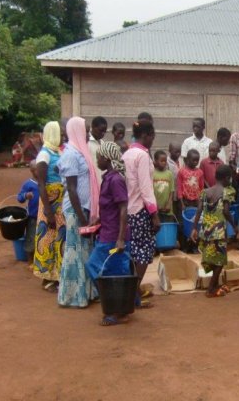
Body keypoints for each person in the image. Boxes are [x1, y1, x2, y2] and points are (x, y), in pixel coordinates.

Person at [85, 141, 131, 326]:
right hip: (108, 232)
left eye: (99, 157)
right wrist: (99, 220)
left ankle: (116, 309)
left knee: (96, 267)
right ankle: (121, 305)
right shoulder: (109, 178)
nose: (97, 160)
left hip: (113, 237)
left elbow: (123, 209)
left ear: (107, 158)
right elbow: (112, 208)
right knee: (115, 271)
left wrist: (120, 238)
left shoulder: (116, 180)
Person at [57, 116, 100, 308]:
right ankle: (73, 296)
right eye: (86, 130)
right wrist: (82, 219)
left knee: (85, 252)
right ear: (76, 131)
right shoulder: (70, 155)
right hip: (76, 211)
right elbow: (72, 190)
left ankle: (87, 292)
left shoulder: (81, 152)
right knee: (74, 252)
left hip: (84, 209)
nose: (89, 133)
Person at [122, 120, 161, 308]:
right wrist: (154, 214)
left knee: (134, 252)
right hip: (140, 209)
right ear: (146, 135)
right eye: (152, 136)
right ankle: (132, 295)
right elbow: (146, 188)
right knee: (144, 253)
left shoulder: (127, 153)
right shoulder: (142, 156)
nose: (153, 140)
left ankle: (133, 293)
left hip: (128, 209)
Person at [190, 165, 236, 298]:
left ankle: (215, 285)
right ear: (227, 178)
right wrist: (235, 225)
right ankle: (211, 289)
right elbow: (226, 212)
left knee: (212, 258)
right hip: (219, 231)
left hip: (206, 231)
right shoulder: (226, 192)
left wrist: (194, 228)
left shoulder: (205, 192)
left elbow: (198, 211)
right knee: (220, 260)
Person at [33, 121, 65, 292]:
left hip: (59, 202)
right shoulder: (44, 155)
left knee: (59, 238)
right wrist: (48, 211)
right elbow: (41, 184)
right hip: (50, 203)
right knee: (48, 237)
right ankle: (47, 278)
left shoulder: (56, 151)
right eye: (59, 132)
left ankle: (56, 276)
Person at [17, 160, 39, 264]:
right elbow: (19, 198)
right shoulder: (28, 184)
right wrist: (26, 195)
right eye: (37, 169)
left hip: (45, 215)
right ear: (32, 170)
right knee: (31, 237)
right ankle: (30, 261)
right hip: (33, 216)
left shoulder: (46, 181)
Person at [153, 150, 175, 222]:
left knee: (167, 226)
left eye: (165, 161)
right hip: (156, 208)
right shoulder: (152, 174)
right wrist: (155, 204)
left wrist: (169, 204)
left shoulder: (169, 174)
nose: (164, 163)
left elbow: (172, 191)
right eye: (161, 161)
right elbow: (150, 191)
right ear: (155, 161)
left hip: (168, 209)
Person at [88, 116, 108, 186]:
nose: (103, 134)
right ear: (93, 127)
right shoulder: (87, 143)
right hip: (91, 181)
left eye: (104, 132)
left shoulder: (103, 143)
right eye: (100, 130)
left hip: (102, 180)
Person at [167, 142, 182, 218]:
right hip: (171, 192)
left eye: (180, 151)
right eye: (176, 152)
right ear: (169, 150)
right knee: (172, 212)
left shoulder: (181, 161)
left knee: (179, 212)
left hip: (180, 192)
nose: (178, 154)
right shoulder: (166, 162)